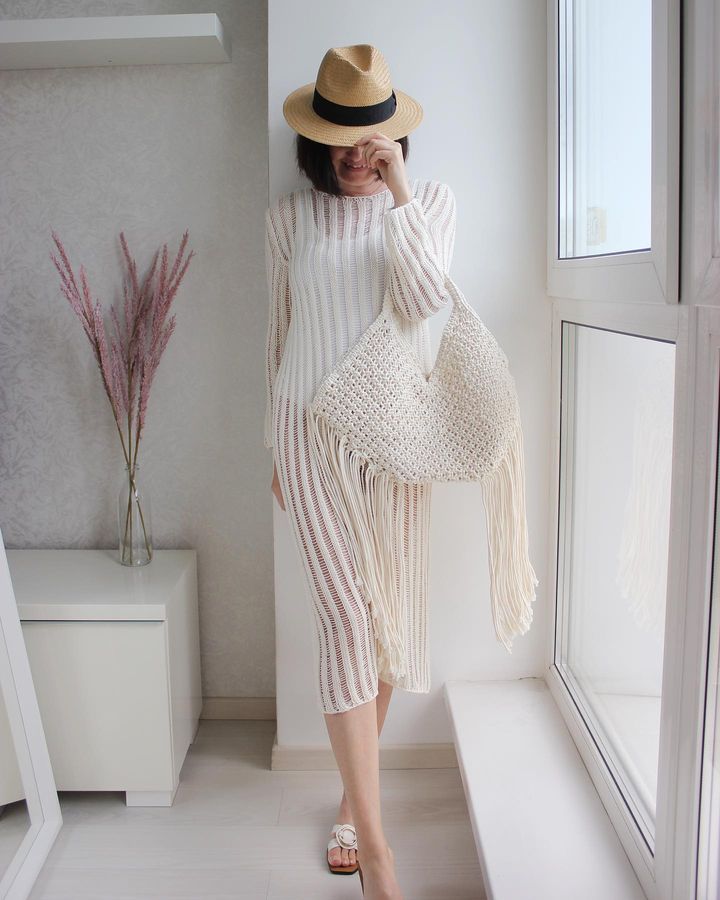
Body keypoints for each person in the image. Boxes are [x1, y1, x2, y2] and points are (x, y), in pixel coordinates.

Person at [263, 44, 455, 900]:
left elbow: (425, 299)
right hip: (307, 435)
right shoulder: (287, 220)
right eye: (337, 137)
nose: (352, 153)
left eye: (367, 138)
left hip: (396, 440)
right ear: (314, 139)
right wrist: (272, 448)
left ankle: (352, 804)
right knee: (344, 617)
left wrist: (399, 192)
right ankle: (378, 856)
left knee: (382, 622)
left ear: (393, 136)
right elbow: (279, 335)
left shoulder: (430, 204)